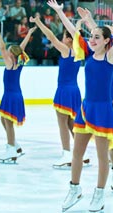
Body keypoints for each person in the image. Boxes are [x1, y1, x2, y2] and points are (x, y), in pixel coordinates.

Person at [47, 0, 113, 211]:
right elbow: (72, 30)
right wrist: (59, 11)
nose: (91, 39)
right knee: (77, 152)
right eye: (90, 36)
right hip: (86, 109)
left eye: (95, 37)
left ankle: (99, 194)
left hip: (103, 111)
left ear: (105, 41)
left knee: (103, 157)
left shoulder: (111, 57)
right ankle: (74, 189)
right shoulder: (88, 54)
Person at [29, 15, 84, 168]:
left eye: (64, 36)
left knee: (62, 124)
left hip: (65, 90)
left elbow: (51, 36)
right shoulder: (79, 52)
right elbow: (76, 33)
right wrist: (78, 24)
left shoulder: (66, 50)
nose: (61, 38)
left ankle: (66, 154)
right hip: (75, 90)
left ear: (68, 39)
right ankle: (82, 154)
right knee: (72, 123)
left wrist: (39, 22)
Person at [0, 22, 36, 164]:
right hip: (14, 95)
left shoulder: (10, 63)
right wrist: (29, 33)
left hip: (11, 96)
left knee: (8, 122)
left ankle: (10, 149)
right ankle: (15, 145)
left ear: (11, 53)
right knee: (3, 119)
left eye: (9, 50)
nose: (7, 51)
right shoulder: (18, 61)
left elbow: (1, 47)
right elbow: (21, 48)